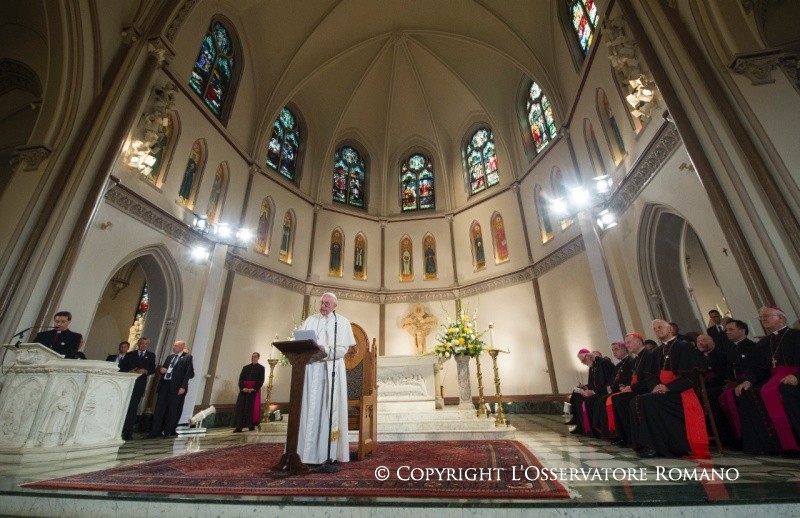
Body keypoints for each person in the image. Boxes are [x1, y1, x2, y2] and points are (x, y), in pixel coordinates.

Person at [633, 319, 709, 459]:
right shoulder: (656, 351)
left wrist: (667, 387)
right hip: (662, 392)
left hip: (681, 393)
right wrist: (656, 386)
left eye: (660, 327)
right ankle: (653, 445)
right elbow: (651, 376)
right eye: (655, 329)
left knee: (648, 401)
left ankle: (659, 446)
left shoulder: (684, 347)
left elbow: (691, 377)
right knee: (644, 400)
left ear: (670, 330)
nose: (657, 330)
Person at [297, 292, 355, 464]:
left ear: (335, 306)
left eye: (327, 304)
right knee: (308, 408)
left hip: (330, 369)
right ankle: (303, 454)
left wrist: (325, 349)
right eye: (322, 303)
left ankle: (326, 454)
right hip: (310, 369)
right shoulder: (310, 320)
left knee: (326, 409)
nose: (323, 306)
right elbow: (300, 340)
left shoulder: (342, 322)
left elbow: (343, 349)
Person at [735, 306, 800, 453]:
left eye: (767, 316)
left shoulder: (797, 336)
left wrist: (796, 377)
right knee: (746, 393)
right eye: (761, 317)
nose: (763, 319)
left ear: (781, 318)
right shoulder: (763, 343)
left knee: (787, 391)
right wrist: (748, 381)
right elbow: (758, 369)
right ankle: (769, 446)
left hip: (795, 378)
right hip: (773, 379)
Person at [609, 331, 660, 448]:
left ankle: (636, 439)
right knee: (618, 399)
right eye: (626, 343)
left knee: (622, 400)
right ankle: (627, 437)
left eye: (629, 342)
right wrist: (628, 387)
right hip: (638, 388)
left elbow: (649, 379)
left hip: (647, 389)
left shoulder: (648, 355)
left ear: (638, 341)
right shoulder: (637, 358)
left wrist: (631, 388)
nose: (627, 345)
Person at [150, 340, 194, 438]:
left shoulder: (187, 358)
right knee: (159, 410)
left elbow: (187, 374)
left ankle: (167, 432)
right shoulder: (169, 357)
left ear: (182, 347)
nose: (173, 347)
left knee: (172, 411)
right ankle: (154, 432)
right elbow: (165, 369)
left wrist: (183, 386)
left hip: (176, 387)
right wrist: (162, 371)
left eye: (176, 346)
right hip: (165, 385)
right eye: (174, 345)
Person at [567, 348, 613, 436]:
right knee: (579, 400)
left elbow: (607, 382)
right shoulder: (592, 366)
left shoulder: (603, 363)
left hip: (604, 392)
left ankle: (596, 429)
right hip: (597, 392)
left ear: (588, 356)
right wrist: (587, 390)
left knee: (588, 401)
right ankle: (583, 428)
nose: (583, 363)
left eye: (583, 360)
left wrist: (592, 392)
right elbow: (592, 384)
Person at [118, 337, 156, 440]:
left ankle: (128, 432)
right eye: (142, 343)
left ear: (148, 345)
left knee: (133, 408)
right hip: (128, 383)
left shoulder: (151, 355)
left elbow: (153, 369)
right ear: (138, 344)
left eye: (146, 344)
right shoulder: (130, 354)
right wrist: (129, 372)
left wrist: (146, 371)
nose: (144, 345)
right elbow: (122, 367)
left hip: (140, 384)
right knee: (124, 406)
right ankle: (119, 430)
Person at [232, 352, 266, 432]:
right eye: (252, 356)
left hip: (253, 392)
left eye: (255, 357)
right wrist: (243, 388)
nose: (253, 358)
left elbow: (261, 380)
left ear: (258, 358)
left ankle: (251, 426)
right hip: (244, 391)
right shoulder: (245, 367)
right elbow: (241, 379)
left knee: (251, 409)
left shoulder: (261, 368)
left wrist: (253, 388)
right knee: (241, 408)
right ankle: (238, 427)